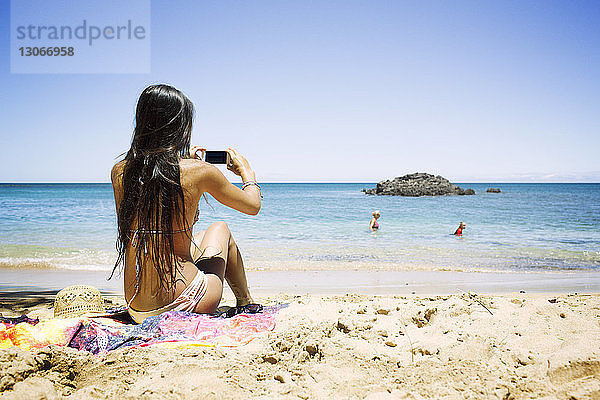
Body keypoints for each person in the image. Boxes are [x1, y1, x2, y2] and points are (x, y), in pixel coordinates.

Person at [110, 84, 262, 323]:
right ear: (180, 126)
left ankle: (244, 301)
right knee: (220, 228)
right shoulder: (199, 171)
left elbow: (154, 219)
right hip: (186, 301)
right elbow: (252, 206)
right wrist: (247, 173)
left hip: (136, 305)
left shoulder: (120, 171)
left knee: (199, 237)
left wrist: (181, 161)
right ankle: (245, 302)